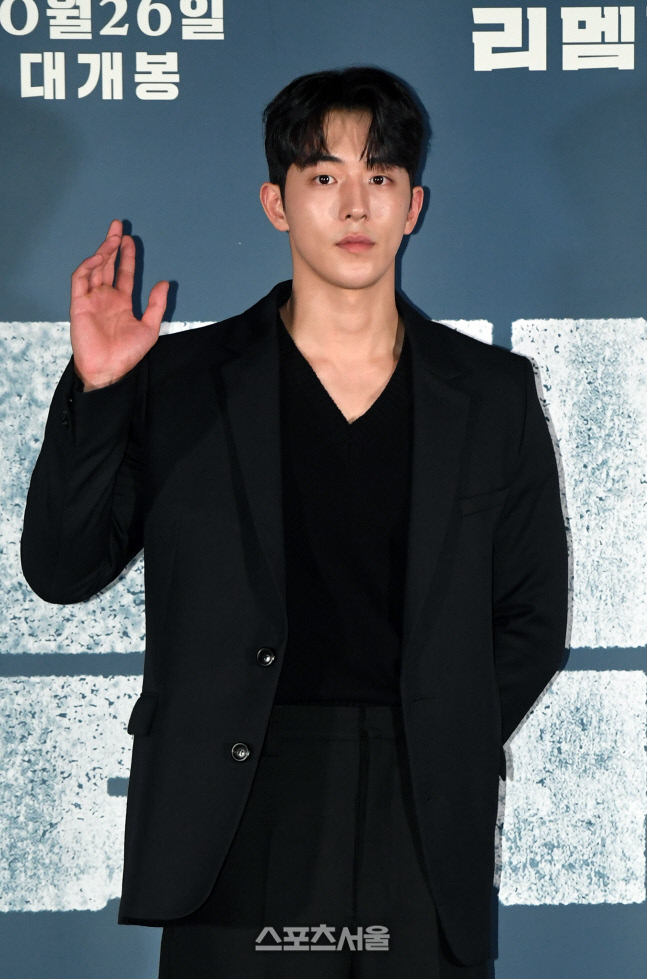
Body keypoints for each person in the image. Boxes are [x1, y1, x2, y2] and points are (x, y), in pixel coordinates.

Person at [21, 66, 569, 978]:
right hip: (231, 804)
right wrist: (102, 389)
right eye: (323, 176)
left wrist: (441, 730)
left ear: (413, 205)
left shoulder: (489, 393)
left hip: (420, 809)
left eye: (379, 176)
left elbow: (532, 615)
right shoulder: (181, 382)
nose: (354, 204)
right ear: (276, 203)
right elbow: (61, 566)